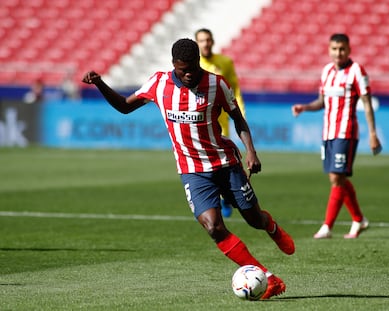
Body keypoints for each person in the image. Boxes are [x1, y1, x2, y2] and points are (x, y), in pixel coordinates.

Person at [82, 38, 295, 299]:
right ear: (174, 64)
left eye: (194, 67)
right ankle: (268, 277)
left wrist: (251, 151)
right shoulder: (159, 83)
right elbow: (125, 107)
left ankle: (271, 226)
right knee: (214, 227)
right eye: (184, 69)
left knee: (253, 219)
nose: (189, 74)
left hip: (226, 164)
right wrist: (101, 84)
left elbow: (238, 119)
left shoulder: (217, 84)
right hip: (192, 170)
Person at [291, 33, 382, 239]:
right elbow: (321, 101)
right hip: (328, 133)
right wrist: (305, 107)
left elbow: (367, 104)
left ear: (349, 50)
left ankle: (327, 226)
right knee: (336, 177)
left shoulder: (357, 71)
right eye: (334, 48)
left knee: (337, 178)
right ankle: (359, 219)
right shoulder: (326, 71)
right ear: (329, 50)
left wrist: (373, 133)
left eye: (342, 49)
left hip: (346, 132)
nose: (338, 52)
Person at [195, 28, 246, 218]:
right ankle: (215, 197)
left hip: (220, 121)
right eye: (202, 40)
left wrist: (240, 112)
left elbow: (235, 89)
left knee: (220, 163)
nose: (206, 43)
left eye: (208, 39)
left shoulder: (224, 62)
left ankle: (224, 197)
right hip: (199, 123)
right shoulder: (193, 64)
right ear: (197, 43)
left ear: (213, 41)